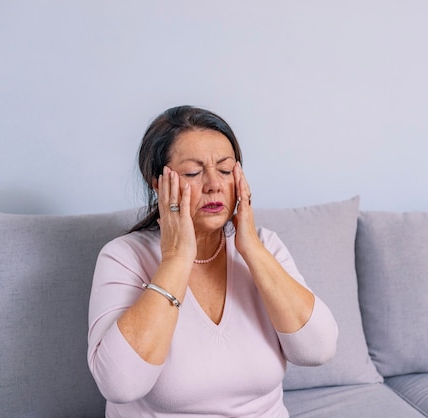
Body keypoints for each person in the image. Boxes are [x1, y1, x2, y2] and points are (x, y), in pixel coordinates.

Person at [87, 105, 338, 417]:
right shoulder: (124, 256)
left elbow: (318, 350)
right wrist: (177, 259)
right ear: (157, 183)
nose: (214, 184)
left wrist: (252, 249)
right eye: (193, 172)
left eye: (225, 169)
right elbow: (121, 385)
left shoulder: (265, 245)